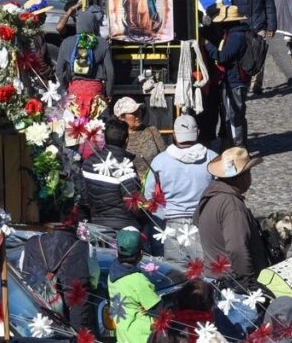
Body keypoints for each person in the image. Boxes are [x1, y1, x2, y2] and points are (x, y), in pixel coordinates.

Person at [144, 115, 216, 261]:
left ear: (174, 135)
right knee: (205, 271)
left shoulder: (160, 161)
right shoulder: (212, 158)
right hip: (202, 223)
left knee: (176, 273)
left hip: (171, 225)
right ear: (198, 133)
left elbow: (148, 195)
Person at [194, 147, 270, 283]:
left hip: (215, 277)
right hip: (232, 283)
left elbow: (196, 220)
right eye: (248, 173)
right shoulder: (232, 205)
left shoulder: (211, 194)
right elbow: (237, 248)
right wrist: (248, 280)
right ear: (241, 177)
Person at [22, 218, 92, 331]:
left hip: (36, 315)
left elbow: (23, 277)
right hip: (74, 314)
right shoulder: (84, 247)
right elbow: (94, 278)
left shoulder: (31, 244)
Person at [77, 118, 142, 231]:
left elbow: (83, 200)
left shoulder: (88, 163)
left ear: (105, 139)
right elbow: (133, 206)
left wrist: (85, 223)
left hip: (97, 228)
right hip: (125, 231)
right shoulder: (126, 167)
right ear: (126, 140)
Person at [224, 0, 276, 94]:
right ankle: (244, 81)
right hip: (241, 26)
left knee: (259, 54)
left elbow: (269, 3)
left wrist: (271, 25)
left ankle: (257, 84)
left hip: (259, 24)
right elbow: (225, 3)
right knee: (243, 55)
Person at [203, 4, 252, 148]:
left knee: (234, 116)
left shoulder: (236, 36)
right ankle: (233, 144)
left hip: (235, 81)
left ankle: (239, 147)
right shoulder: (236, 33)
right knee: (233, 114)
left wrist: (207, 44)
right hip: (234, 79)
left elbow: (223, 56)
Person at [56, 7, 114, 119]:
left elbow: (59, 70)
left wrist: (65, 89)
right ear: (93, 23)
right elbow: (110, 72)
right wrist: (109, 93)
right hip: (95, 92)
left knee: (76, 127)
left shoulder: (66, 42)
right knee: (95, 128)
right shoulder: (102, 43)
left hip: (74, 91)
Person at [108, 227, 162, 343]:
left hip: (123, 338)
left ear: (117, 251)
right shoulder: (138, 281)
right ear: (141, 253)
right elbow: (159, 311)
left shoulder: (111, 275)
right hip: (142, 338)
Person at [113, 97, 166, 180]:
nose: (138, 115)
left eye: (139, 111)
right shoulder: (117, 136)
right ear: (121, 117)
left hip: (154, 183)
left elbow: (165, 157)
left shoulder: (152, 131)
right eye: (133, 113)